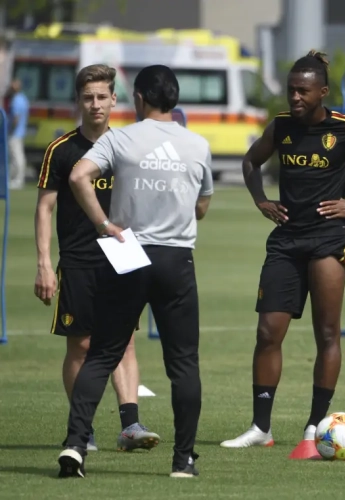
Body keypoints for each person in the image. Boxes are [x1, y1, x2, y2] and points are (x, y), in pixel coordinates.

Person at [220, 50, 345, 458]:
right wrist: (261, 200)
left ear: (322, 92)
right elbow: (251, 162)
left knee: (326, 334)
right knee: (267, 332)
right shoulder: (281, 127)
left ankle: (314, 426)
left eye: (303, 91)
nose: (295, 98)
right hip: (286, 241)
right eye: (290, 90)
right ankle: (260, 428)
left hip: (327, 240)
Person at [57, 64, 213, 478]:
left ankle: (75, 446)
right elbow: (202, 205)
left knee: (102, 353)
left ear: (139, 99)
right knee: (183, 363)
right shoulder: (197, 144)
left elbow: (78, 176)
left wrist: (103, 224)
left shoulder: (121, 138)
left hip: (127, 253)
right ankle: (183, 461)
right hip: (176, 259)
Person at [34, 64, 159, 453]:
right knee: (82, 346)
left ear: (114, 100)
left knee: (125, 343)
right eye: (88, 97)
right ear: (78, 100)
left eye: (102, 96)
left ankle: (130, 426)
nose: (95, 104)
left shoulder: (125, 146)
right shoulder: (62, 150)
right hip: (77, 259)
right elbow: (44, 209)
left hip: (121, 255)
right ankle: (83, 431)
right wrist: (43, 263)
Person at [8, 78, 29, 189]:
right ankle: (16, 179)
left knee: (16, 157)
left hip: (15, 133)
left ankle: (17, 180)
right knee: (18, 156)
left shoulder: (16, 100)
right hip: (20, 132)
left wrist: (10, 129)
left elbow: (15, 118)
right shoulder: (23, 98)